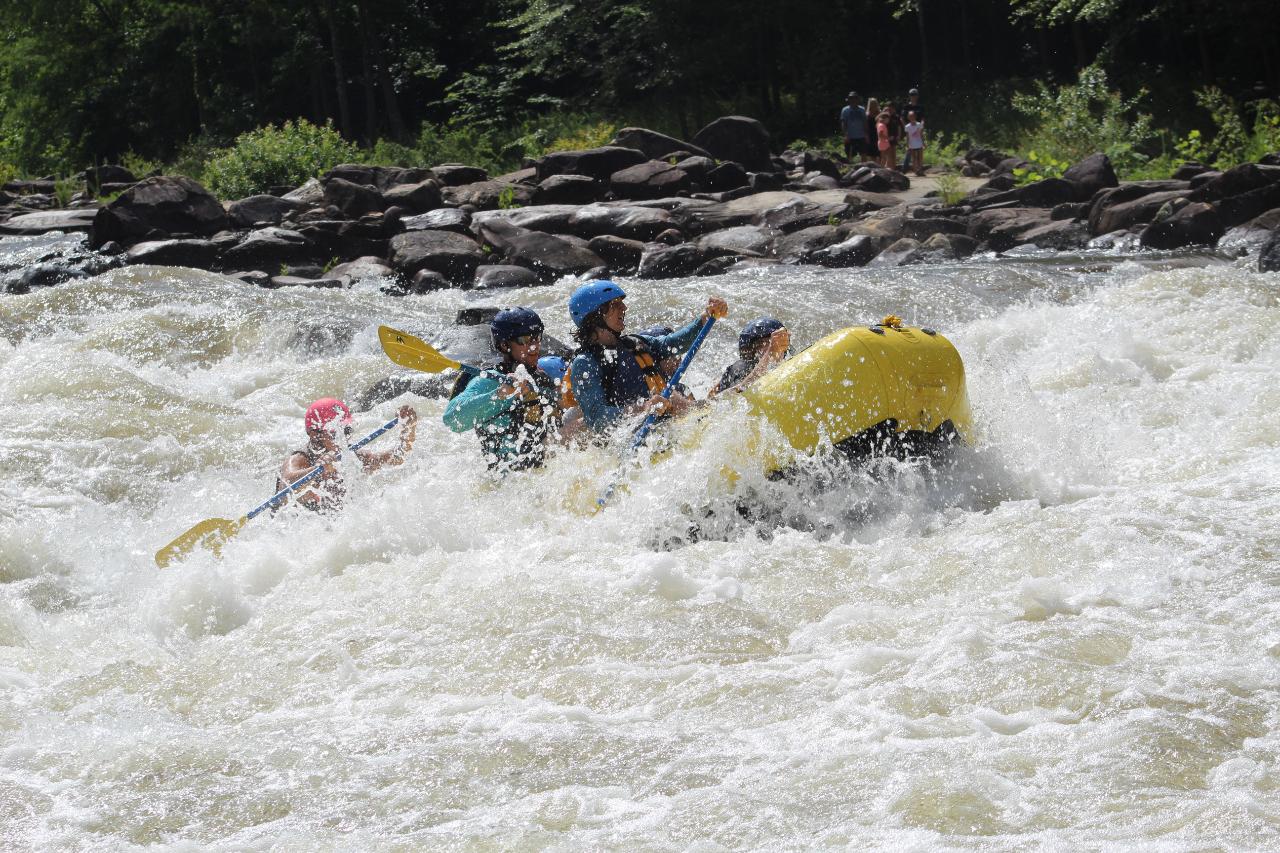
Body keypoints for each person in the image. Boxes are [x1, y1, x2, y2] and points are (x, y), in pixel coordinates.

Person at [567, 280, 727, 435]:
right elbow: (597, 419)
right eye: (616, 304)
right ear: (596, 315)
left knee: (678, 394)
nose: (624, 307)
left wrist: (704, 319)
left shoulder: (636, 343)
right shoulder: (585, 363)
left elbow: (676, 343)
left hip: (668, 427)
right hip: (628, 440)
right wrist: (643, 408)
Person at [443, 307, 561, 471]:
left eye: (536, 337)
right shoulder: (489, 381)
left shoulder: (543, 379)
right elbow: (452, 419)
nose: (534, 346)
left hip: (543, 476)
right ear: (505, 345)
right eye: (524, 340)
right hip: (504, 481)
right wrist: (499, 394)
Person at [276, 397, 417, 512]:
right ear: (314, 434)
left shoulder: (349, 455)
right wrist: (318, 471)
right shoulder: (300, 458)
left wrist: (408, 430)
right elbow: (286, 485)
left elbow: (398, 457)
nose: (343, 437)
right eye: (335, 431)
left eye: (347, 430)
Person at [711, 318, 791, 395]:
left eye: (771, 340)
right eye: (762, 343)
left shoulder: (789, 360)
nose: (772, 344)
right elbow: (730, 396)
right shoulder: (739, 370)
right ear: (751, 352)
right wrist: (769, 354)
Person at [839, 91, 867, 163]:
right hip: (850, 136)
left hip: (861, 135)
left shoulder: (862, 109)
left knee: (863, 153)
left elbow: (865, 122)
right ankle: (850, 169)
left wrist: (866, 134)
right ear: (849, 100)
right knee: (849, 154)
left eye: (855, 98)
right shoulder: (845, 110)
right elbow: (843, 123)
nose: (853, 100)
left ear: (857, 99)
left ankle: (865, 168)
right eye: (851, 99)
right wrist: (845, 135)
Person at [900, 87, 924, 170]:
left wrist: (922, 126)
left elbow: (923, 118)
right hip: (909, 129)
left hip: (918, 128)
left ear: (917, 96)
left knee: (919, 151)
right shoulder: (906, 106)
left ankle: (918, 168)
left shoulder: (920, 106)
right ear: (909, 96)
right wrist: (907, 127)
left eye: (915, 95)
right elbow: (902, 118)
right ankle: (906, 168)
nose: (913, 96)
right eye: (911, 95)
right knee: (910, 149)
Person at [905, 110, 925, 176]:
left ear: (915, 116)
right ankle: (916, 170)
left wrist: (923, 143)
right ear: (908, 117)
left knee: (920, 157)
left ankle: (920, 170)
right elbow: (907, 137)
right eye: (910, 116)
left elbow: (921, 134)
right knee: (914, 158)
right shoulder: (907, 126)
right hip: (912, 144)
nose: (912, 117)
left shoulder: (919, 124)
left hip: (919, 143)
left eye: (913, 116)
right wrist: (907, 145)